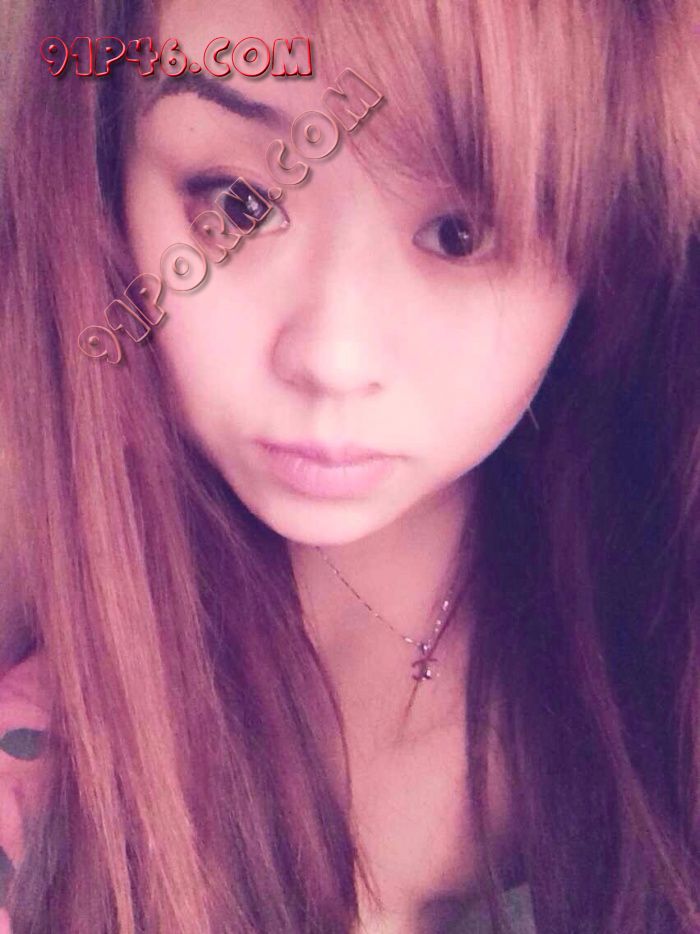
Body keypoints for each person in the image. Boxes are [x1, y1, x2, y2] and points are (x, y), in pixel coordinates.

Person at [0, 0, 698, 931]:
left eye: (461, 232)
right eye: (238, 204)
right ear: (101, 178)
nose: (331, 357)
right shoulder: (43, 768)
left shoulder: (665, 653)